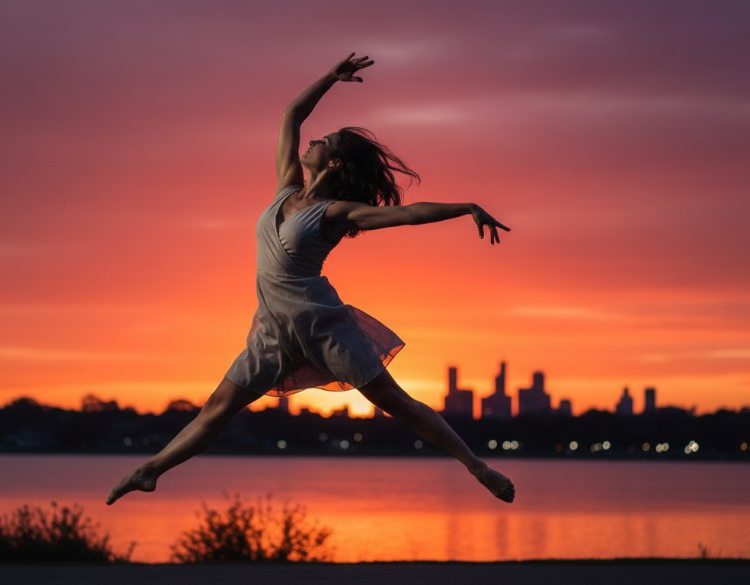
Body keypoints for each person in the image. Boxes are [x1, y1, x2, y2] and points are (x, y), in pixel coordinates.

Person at [107, 53, 515, 506]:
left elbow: (405, 214)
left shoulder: (336, 213)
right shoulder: (286, 186)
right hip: (271, 332)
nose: (315, 140)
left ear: (335, 164)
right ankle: (150, 470)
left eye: (326, 141)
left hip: (322, 326)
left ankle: (477, 467)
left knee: (397, 404)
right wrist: (331, 79)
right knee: (217, 409)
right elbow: (292, 115)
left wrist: (465, 208)